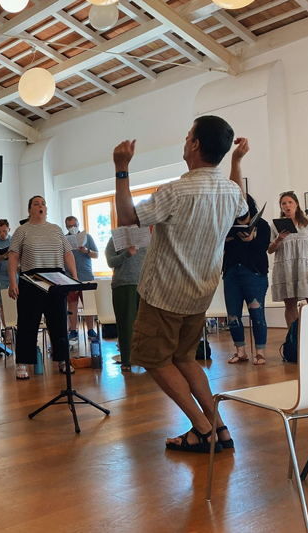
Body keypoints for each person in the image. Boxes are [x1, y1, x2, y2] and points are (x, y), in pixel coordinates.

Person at [112, 116, 249, 454]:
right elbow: (241, 205)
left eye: (188, 135)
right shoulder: (231, 190)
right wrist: (237, 163)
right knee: (186, 359)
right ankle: (220, 428)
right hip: (200, 293)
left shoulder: (176, 191)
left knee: (154, 359)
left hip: (164, 294)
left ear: (195, 145)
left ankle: (202, 429)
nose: (185, 140)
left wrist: (121, 169)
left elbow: (128, 218)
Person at [8, 196, 77, 380]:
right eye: (36, 204)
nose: (40, 206)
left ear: (47, 209)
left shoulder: (56, 230)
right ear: (29, 210)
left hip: (56, 279)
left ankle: (63, 359)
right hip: (30, 280)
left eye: (43, 204)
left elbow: (68, 253)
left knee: (59, 321)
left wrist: (74, 277)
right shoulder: (22, 231)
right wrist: (13, 282)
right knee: (27, 323)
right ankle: (22, 362)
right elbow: (14, 256)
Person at [222, 194, 271, 366]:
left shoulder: (262, 225)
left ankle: (260, 352)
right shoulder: (227, 225)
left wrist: (252, 240)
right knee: (232, 314)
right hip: (231, 272)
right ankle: (240, 351)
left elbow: (264, 247)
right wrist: (225, 240)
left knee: (257, 313)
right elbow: (220, 247)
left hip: (254, 273)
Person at [268, 192, 308, 327]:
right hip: (285, 268)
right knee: (290, 303)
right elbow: (270, 250)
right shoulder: (275, 226)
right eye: (284, 203)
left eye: (290, 202)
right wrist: (279, 239)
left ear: (296, 204)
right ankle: (293, 336)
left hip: (305, 266)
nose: (287, 206)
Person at [104, 237, 148, 372]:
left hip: (146, 285)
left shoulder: (147, 237)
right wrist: (127, 254)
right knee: (126, 325)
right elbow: (110, 261)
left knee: (147, 325)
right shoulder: (116, 238)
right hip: (123, 284)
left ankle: (147, 359)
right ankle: (127, 359)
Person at [64, 215, 99, 347]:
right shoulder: (64, 239)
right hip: (70, 277)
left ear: (78, 224)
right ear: (66, 227)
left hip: (86, 276)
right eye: (70, 226)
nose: (73, 228)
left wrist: (87, 251)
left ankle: (90, 329)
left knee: (88, 305)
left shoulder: (87, 237)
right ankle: (73, 330)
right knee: (72, 304)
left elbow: (96, 254)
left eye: (75, 225)